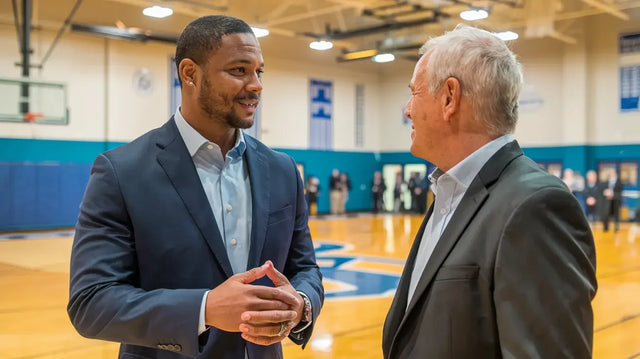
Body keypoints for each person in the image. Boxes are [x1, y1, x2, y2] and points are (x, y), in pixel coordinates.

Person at [68, 15, 323, 359]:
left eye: (259, 71)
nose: (256, 84)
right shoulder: (121, 172)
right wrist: (205, 309)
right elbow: (91, 302)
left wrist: (301, 303)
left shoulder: (281, 170)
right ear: (190, 74)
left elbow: (305, 268)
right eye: (239, 70)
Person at [382, 24, 597, 359]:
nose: (408, 109)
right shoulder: (450, 192)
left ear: (449, 98)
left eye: (414, 92)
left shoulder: (534, 207)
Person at [601, 167, 623, 232]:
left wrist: (613, 194)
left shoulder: (619, 182)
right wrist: (606, 192)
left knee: (616, 214)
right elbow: (602, 190)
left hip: (616, 201)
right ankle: (606, 227)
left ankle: (616, 227)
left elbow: (620, 192)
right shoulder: (606, 182)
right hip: (607, 201)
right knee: (606, 214)